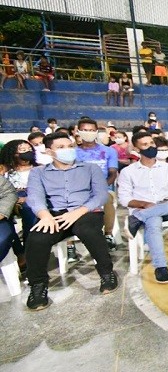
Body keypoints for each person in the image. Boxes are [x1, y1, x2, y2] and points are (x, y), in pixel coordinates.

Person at [24, 132, 118, 310]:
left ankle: (107, 273)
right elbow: (35, 197)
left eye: (69, 146)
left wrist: (77, 212)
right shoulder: (38, 172)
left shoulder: (91, 168)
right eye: (60, 148)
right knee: (36, 237)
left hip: (86, 211)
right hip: (55, 214)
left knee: (88, 231)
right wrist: (45, 216)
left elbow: (101, 195)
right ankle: (38, 286)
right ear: (49, 152)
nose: (67, 150)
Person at [118, 132, 168, 284]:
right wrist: (145, 205)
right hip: (143, 208)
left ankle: (137, 219)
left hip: (165, 206)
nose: (150, 147)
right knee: (153, 220)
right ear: (137, 149)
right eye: (145, 145)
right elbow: (124, 199)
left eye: (151, 143)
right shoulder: (128, 172)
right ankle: (161, 267)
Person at [75, 118, 119, 251]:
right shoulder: (72, 152)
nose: (89, 133)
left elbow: (112, 174)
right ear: (78, 131)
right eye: (85, 130)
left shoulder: (109, 151)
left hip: (103, 187)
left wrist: (100, 188)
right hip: (79, 190)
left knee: (106, 198)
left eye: (92, 130)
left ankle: (108, 234)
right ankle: (72, 244)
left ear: (97, 132)